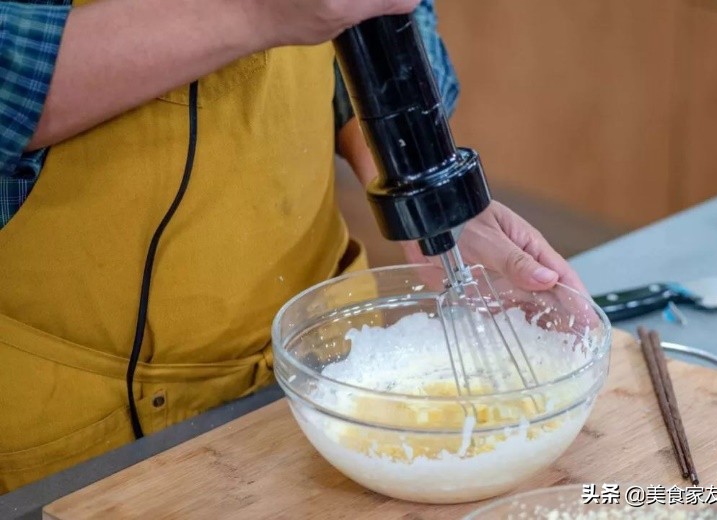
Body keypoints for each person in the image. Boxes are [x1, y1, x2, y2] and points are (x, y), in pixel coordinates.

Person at [0, 0, 585, 493]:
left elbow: (370, 26)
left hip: (317, 372)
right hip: (62, 421)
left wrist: (422, 185)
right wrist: (256, 12)